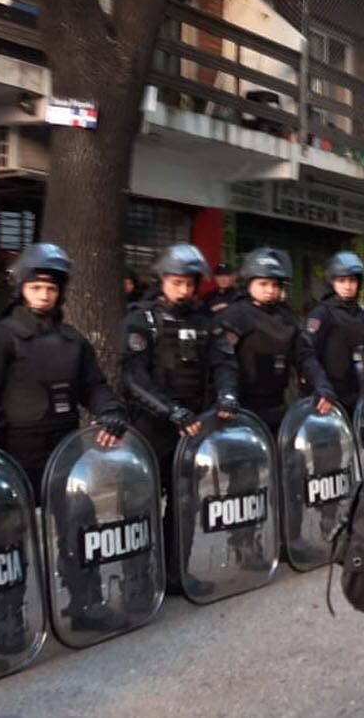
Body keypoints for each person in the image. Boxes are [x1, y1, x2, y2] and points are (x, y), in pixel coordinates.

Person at [0, 244, 129, 630]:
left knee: (80, 523)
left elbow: (93, 386)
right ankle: (7, 619)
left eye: (51, 288)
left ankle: (85, 605)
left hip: (64, 448)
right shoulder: (0, 337)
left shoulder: (73, 341)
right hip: (13, 451)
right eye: (36, 287)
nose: (44, 295)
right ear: (21, 289)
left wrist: (110, 411)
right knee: (4, 535)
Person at [119, 244, 238, 588]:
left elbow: (224, 363)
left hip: (192, 427)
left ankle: (176, 574)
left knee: (185, 503)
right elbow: (133, 377)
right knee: (140, 503)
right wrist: (170, 410)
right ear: (162, 281)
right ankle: (136, 580)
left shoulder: (207, 322)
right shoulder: (141, 319)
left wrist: (227, 395)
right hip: (151, 426)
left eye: (189, 283)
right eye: (176, 283)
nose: (183, 290)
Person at [212, 248, 336, 436]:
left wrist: (322, 386)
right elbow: (224, 362)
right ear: (248, 283)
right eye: (263, 284)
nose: (270, 290)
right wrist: (226, 394)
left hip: (279, 408)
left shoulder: (286, 317)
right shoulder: (234, 315)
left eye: (275, 285)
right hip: (239, 410)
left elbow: (305, 356)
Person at [302, 252, 364, 418]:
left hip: (359, 400)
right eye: (341, 280)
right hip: (328, 399)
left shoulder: (362, 316)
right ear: (332, 282)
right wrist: (321, 387)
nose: (348, 286)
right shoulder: (321, 314)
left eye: (352, 280)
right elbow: (307, 355)